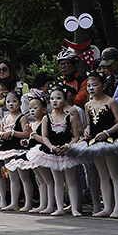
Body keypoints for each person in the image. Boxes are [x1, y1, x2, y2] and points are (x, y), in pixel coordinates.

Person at [69, 69, 118, 217]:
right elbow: (90, 124)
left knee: (115, 174)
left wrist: (107, 132)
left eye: (94, 85)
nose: (91, 88)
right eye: (88, 86)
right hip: (95, 141)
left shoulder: (111, 101)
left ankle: (117, 208)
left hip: (110, 140)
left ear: (103, 85)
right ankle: (107, 207)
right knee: (102, 175)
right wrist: (88, 130)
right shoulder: (88, 105)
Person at [28, 86, 85, 216]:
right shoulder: (46, 118)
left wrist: (67, 146)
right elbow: (45, 137)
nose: (54, 101)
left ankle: (74, 208)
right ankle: (59, 207)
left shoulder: (70, 118)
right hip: (51, 151)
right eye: (52, 98)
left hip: (67, 151)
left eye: (58, 98)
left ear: (65, 101)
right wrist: (52, 147)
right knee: (57, 180)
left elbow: (76, 136)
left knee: (70, 181)